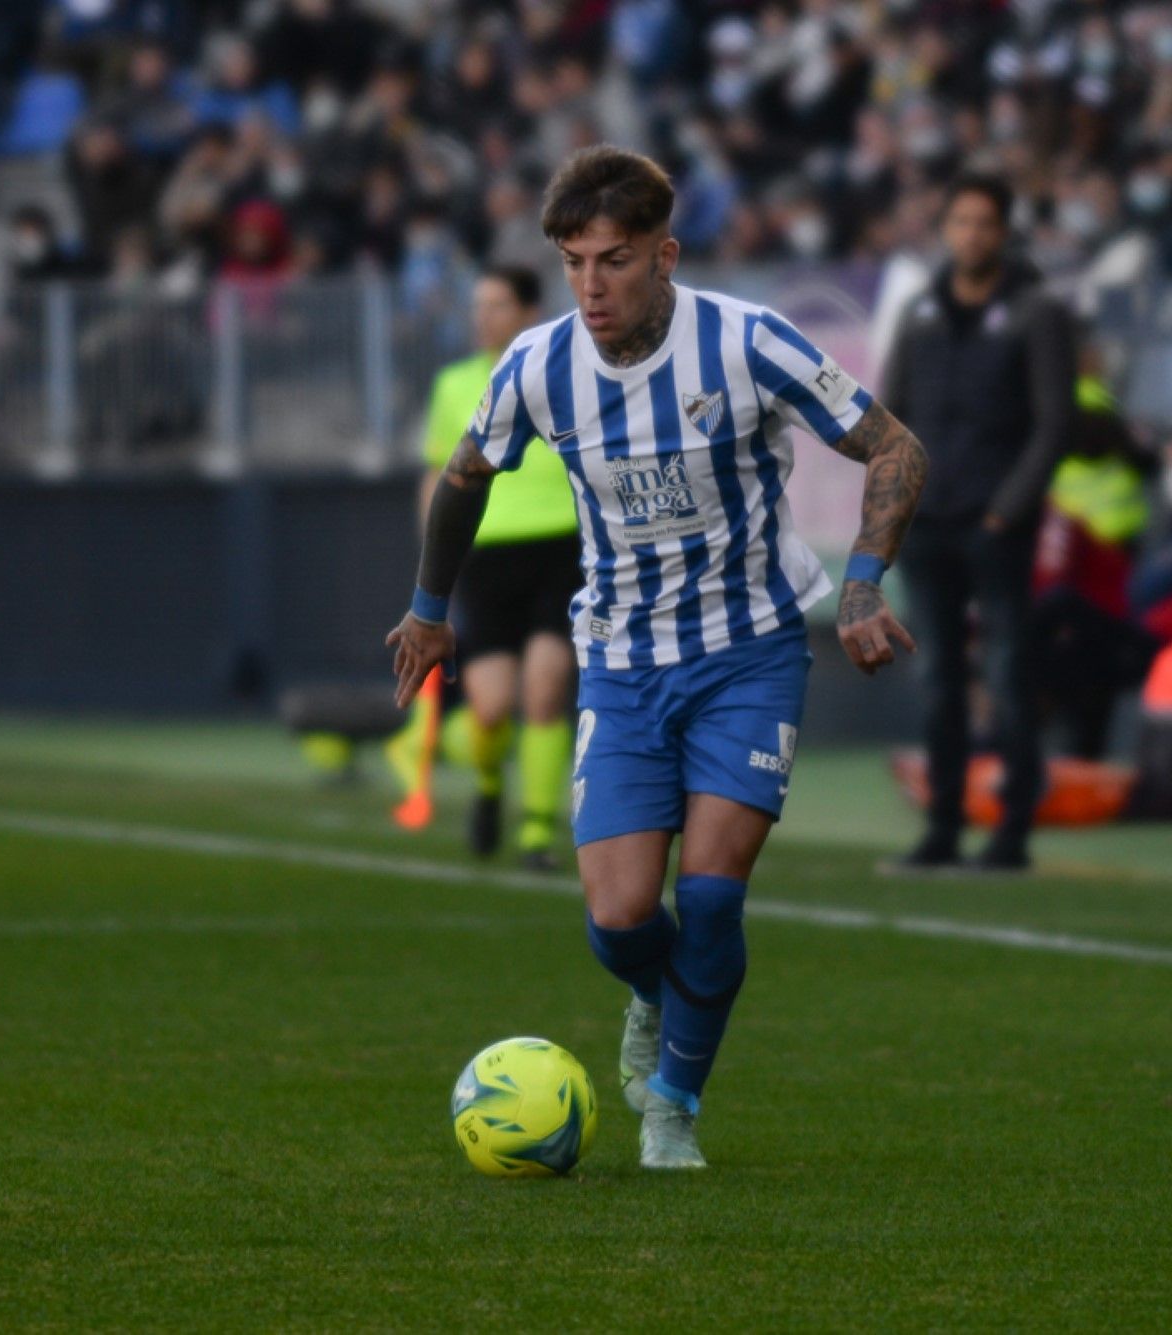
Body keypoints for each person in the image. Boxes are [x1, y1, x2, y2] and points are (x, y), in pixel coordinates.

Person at [386, 146, 927, 1170]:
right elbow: (464, 476)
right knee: (621, 916)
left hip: (747, 654)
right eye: (572, 263)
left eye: (614, 260)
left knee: (712, 892)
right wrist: (427, 611)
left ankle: (672, 1102)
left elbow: (895, 446)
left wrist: (859, 584)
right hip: (623, 660)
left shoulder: (746, 341)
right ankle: (651, 992)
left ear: (664, 256)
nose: (590, 286)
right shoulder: (536, 364)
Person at [880, 172, 1077, 872]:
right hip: (928, 522)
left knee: (1006, 671)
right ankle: (941, 829)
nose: (971, 235)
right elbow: (891, 414)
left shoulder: (1037, 310)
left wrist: (1008, 508)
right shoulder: (921, 311)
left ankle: (1013, 829)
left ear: (1004, 231)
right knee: (937, 677)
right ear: (946, 231)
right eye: (959, 222)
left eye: (983, 223)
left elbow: (1056, 421)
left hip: (997, 524)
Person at [415, 267, 580, 867]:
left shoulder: (566, 371)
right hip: (486, 558)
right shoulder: (455, 383)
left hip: (562, 549)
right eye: (477, 305)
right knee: (489, 709)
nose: (483, 316)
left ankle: (537, 832)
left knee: (545, 690)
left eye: (498, 304)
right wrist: (433, 565)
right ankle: (488, 784)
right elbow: (439, 474)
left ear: (530, 310)